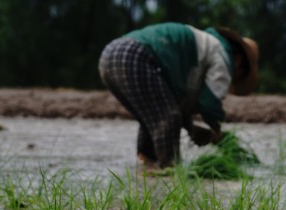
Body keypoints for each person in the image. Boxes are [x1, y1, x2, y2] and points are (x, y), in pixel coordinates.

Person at [98, 22, 259, 170]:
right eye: (239, 75)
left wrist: (191, 128)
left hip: (110, 56)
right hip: (134, 55)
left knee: (153, 118)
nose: (233, 79)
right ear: (238, 62)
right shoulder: (223, 55)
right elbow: (210, 103)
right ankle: (169, 170)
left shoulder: (203, 48)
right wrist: (217, 133)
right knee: (168, 117)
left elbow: (174, 102)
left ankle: (147, 165)